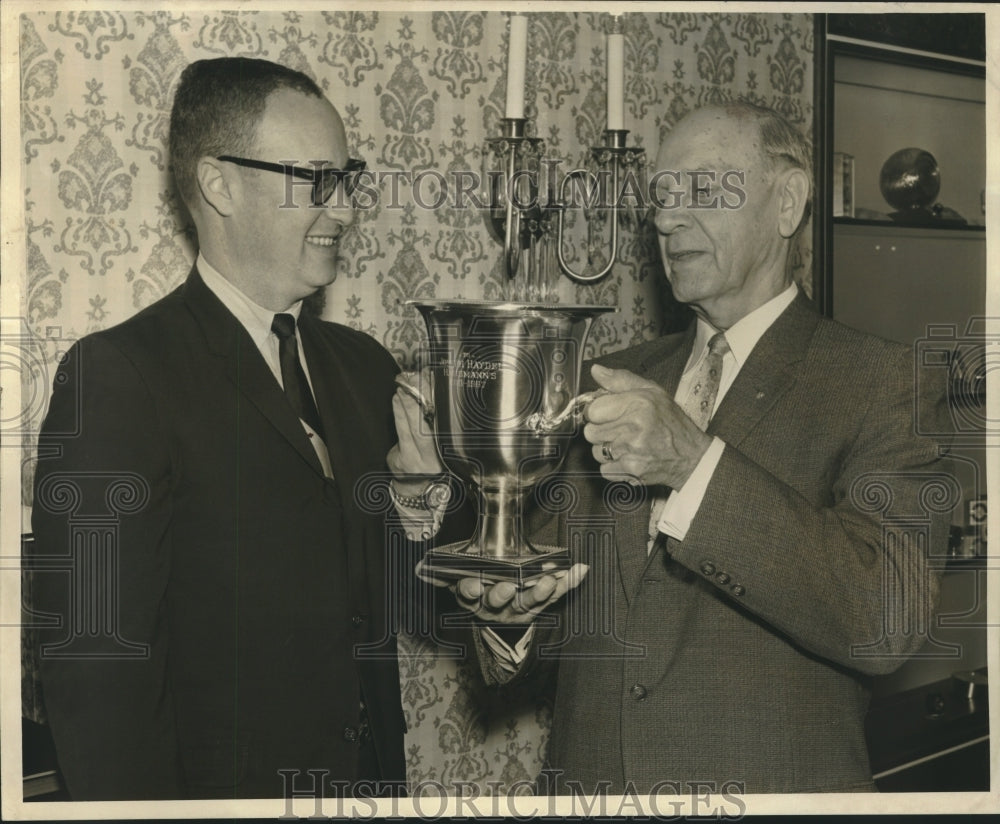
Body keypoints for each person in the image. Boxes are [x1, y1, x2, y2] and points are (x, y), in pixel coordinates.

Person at [390, 103, 954, 794]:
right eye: (660, 195)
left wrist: (695, 465)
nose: (665, 218)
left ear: (787, 203)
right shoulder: (611, 375)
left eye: (703, 190)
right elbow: (529, 639)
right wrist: (507, 618)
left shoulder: (882, 382)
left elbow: (887, 621)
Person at [30, 57, 423, 800]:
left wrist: (431, 495)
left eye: (347, 179)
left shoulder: (364, 367)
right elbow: (96, 679)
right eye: (314, 180)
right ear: (218, 184)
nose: (342, 210)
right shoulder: (119, 376)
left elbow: (414, 587)